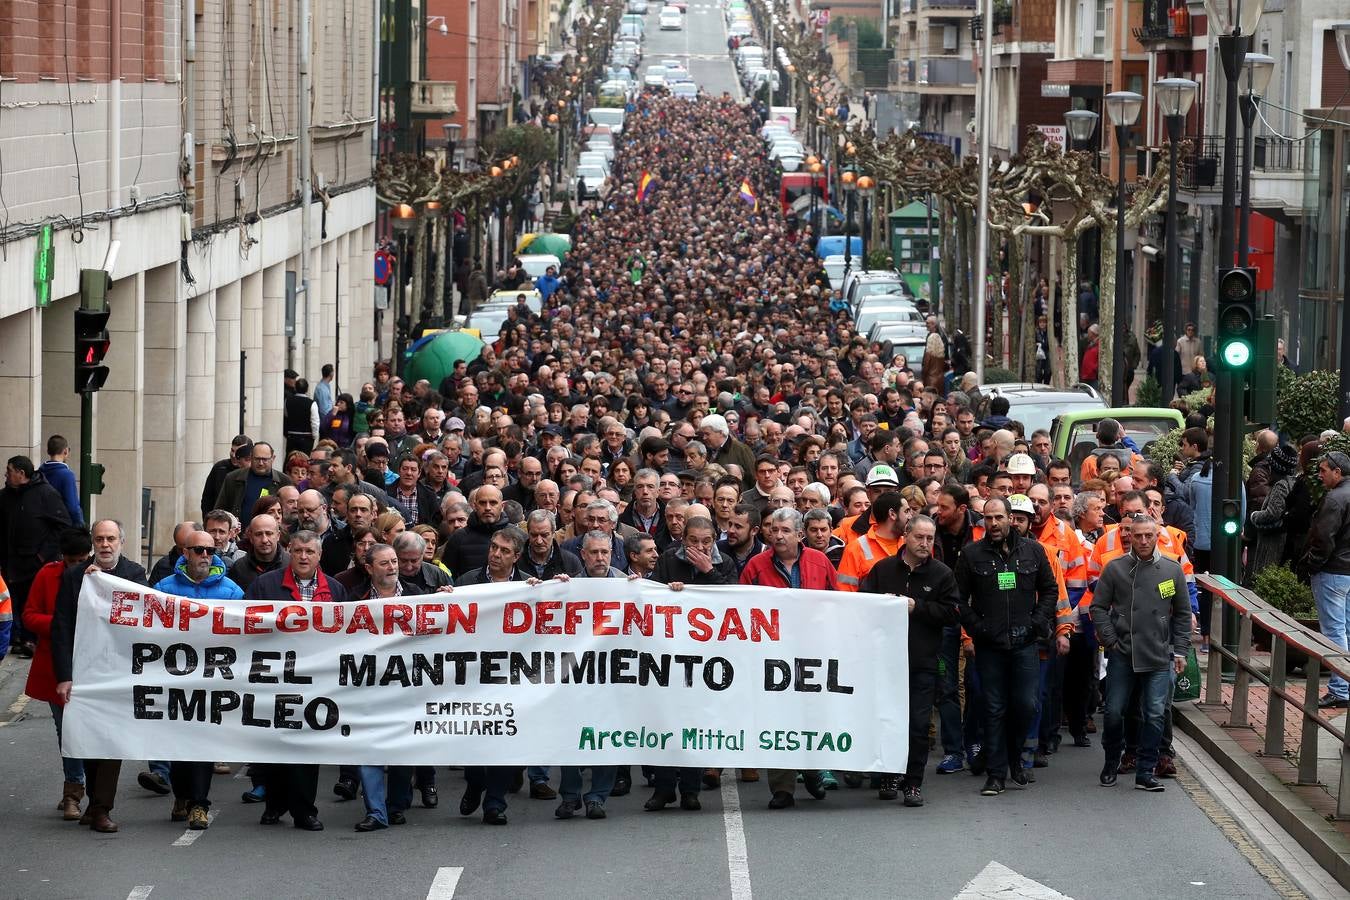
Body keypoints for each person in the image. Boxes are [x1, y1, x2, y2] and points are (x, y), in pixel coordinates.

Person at [953, 497, 1058, 797]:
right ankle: (996, 774)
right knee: (994, 707)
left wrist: (1038, 621)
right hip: (990, 645)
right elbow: (958, 599)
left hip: (1025, 642)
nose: (994, 523)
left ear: (1011, 518)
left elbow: (1049, 590)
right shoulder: (972, 554)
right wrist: (977, 628)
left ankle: (1014, 757)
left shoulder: (1033, 551)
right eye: (988, 518)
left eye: (999, 517)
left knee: (1026, 704)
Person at [50, 519, 150, 833]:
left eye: (111, 539)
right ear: (92, 543)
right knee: (89, 740)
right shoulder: (74, 576)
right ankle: (94, 804)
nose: (105, 545)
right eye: (99, 539)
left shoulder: (134, 574)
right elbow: (62, 627)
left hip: (118, 672)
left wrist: (105, 584)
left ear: (121, 541)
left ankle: (101, 807)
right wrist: (64, 676)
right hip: (84, 671)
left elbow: (138, 618)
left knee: (112, 741)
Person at [244, 530, 345, 830]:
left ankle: (304, 810)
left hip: (315, 682)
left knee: (306, 747)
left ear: (319, 556)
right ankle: (274, 805)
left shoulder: (336, 589)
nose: (303, 557)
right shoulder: (265, 584)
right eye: (298, 551)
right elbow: (246, 624)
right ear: (289, 551)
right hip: (275, 678)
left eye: (310, 552)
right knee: (275, 743)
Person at [861, 514, 960, 807]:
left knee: (918, 725)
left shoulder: (941, 574)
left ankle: (913, 782)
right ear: (906, 535)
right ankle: (890, 774)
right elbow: (863, 608)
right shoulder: (883, 569)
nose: (924, 543)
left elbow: (953, 614)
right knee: (888, 722)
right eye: (919, 537)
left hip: (922, 662)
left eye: (930, 538)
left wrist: (918, 608)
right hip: (886, 664)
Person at [739, 507, 835, 809]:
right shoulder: (756, 565)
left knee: (811, 715)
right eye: (774, 530)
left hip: (813, 654)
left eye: (785, 531)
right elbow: (740, 607)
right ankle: (782, 788)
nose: (778, 535)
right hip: (772, 656)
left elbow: (840, 603)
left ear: (799, 534)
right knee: (777, 718)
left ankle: (811, 770)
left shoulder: (820, 561)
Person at [154, 530, 245, 830]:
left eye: (209, 550)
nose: (205, 555)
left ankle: (198, 805)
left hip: (212, 682)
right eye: (198, 550)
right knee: (179, 744)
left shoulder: (231, 592)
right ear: (185, 553)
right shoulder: (164, 589)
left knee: (203, 743)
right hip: (176, 681)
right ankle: (182, 795)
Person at [1091, 515, 1190, 791]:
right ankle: (1112, 760)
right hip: (1123, 652)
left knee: (1155, 713)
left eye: (1149, 535)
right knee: (1113, 711)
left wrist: (1180, 650)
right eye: (1138, 536)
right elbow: (1098, 607)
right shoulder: (1115, 568)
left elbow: (1182, 614)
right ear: (1129, 537)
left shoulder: (1172, 569)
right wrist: (1110, 639)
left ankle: (1146, 770)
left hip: (1158, 655)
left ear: (1157, 536)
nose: (1144, 541)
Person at [455, 526, 529, 825]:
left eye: (504, 551)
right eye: (494, 547)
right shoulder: (467, 581)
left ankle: (495, 804)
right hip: (473, 676)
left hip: (512, 677)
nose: (496, 554)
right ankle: (475, 783)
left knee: (504, 742)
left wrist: (559, 589)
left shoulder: (530, 587)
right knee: (474, 742)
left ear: (517, 557)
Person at [22, 526, 93, 821]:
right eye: (71, 561)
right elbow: (29, 615)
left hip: (95, 665)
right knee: (67, 730)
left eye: (81, 560)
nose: (76, 566)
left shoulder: (100, 576)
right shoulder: (47, 574)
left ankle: (95, 789)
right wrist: (61, 625)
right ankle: (73, 792)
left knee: (93, 730)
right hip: (57, 664)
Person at [353, 543, 419, 832]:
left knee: (402, 751)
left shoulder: (420, 596)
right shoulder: (354, 599)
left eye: (394, 561)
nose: (393, 567)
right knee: (369, 749)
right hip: (368, 688)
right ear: (369, 568)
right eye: (385, 563)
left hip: (407, 688)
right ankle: (376, 812)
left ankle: (396, 804)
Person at [0, 455, 73, 657]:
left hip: (34, 562)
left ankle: (29, 641)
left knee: (29, 602)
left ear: (21, 473)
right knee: (11, 601)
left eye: (9, 470)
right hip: (10, 562)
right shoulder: (5, 496)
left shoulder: (45, 494)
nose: (6, 474)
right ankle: (15, 637)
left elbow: (63, 525)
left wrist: (42, 556)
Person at [1304, 451, 1350, 709]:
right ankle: (1344, 686)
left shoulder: (1335, 499)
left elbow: (1323, 539)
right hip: (1344, 571)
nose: (1319, 475)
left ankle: (1340, 688)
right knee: (1346, 630)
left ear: (1337, 472)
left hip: (1333, 571)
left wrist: (1313, 564)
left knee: (1334, 632)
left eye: (1323, 470)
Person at [214, 442, 293, 528]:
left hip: (271, 534)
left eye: (265, 459)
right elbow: (220, 509)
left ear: (273, 458)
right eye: (257, 459)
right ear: (251, 457)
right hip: (239, 535)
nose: (261, 463)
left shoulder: (284, 481)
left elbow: (290, 512)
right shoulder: (233, 478)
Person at [39, 435, 83, 527]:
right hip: (61, 527)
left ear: (48, 451)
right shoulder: (67, 475)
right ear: (66, 451)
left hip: (42, 525)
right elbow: (73, 508)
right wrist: (80, 528)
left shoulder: (39, 472)